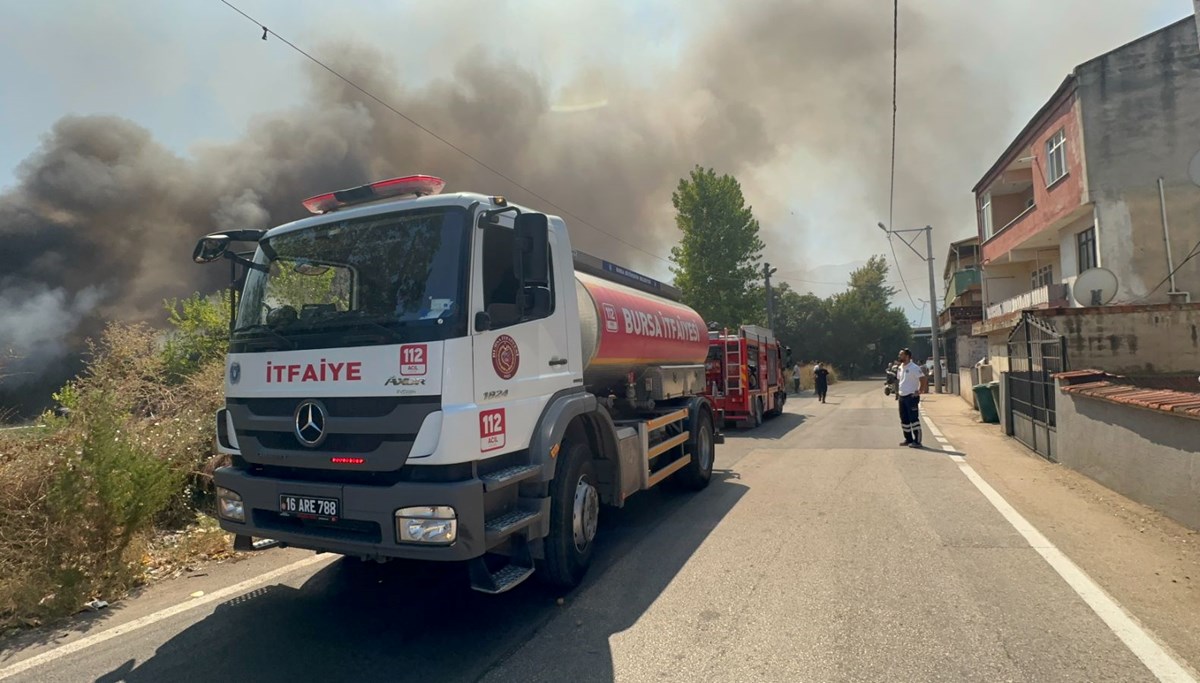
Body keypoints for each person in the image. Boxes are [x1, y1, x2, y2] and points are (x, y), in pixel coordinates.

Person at [896, 348, 923, 448]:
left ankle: (917, 441)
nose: (900, 356)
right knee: (904, 419)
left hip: (911, 396)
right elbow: (900, 380)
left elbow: (923, 379)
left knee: (914, 419)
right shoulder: (900, 367)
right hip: (902, 396)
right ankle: (908, 439)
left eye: (901, 354)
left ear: (907, 356)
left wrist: (920, 390)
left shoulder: (914, 367)